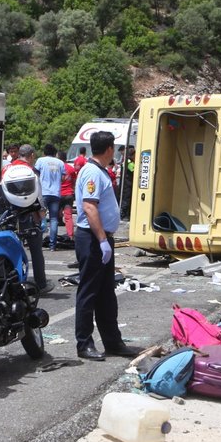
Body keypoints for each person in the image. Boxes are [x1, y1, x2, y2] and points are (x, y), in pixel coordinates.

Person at [73, 130, 138, 361]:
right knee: (89, 292)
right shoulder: (92, 172)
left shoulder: (98, 170)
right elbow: (89, 207)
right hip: (92, 239)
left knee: (106, 294)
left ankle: (113, 342)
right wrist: (102, 240)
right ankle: (84, 344)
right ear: (109, 149)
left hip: (101, 238)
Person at [2, 144, 51, 294]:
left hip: (11, 216)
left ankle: (13, 283)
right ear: (31, 155)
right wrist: (43, 217)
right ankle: (41, 284)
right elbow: (39, 196)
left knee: (12, 251)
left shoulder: (8, 169)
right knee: (36, 251)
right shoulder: (31, 172)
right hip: (30, 215)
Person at [35, 144, 66, 251]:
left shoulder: (40, 160)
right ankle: (52, 245)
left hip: (43, 193)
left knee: (40, 218)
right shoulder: (60, 162)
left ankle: (39, 243)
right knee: (54, 219)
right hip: (56, 193)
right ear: (55, 153)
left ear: (44, 152)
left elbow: (36, 174)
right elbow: (63, 178)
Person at [60, 155, 77, 241]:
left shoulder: (57, 168)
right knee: (68, 216)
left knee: (53, 218)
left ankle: (53, 238)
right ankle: (70, 235)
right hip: (68, 194)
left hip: (58, 194)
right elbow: (74, 181)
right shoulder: (71, 168)